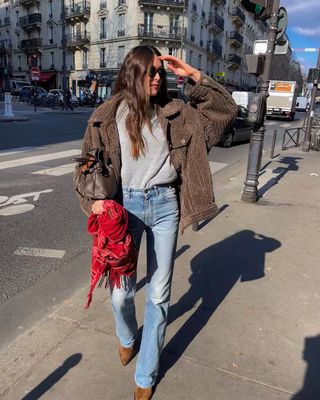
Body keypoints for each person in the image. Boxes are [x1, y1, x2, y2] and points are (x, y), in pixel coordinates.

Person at [74, 45, 237, 400]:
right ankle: (127, 336)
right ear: (133, 74)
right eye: (150, 72)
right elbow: (86, 165)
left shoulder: (178, 114)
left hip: (165, 206)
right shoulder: (106, 115)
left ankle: (146, 373)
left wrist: (191, 75)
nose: (157, 77)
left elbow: (226, 111)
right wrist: (96, 202)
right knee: (121, 295)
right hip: (124, 207)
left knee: (159, 295)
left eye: (160, 72)